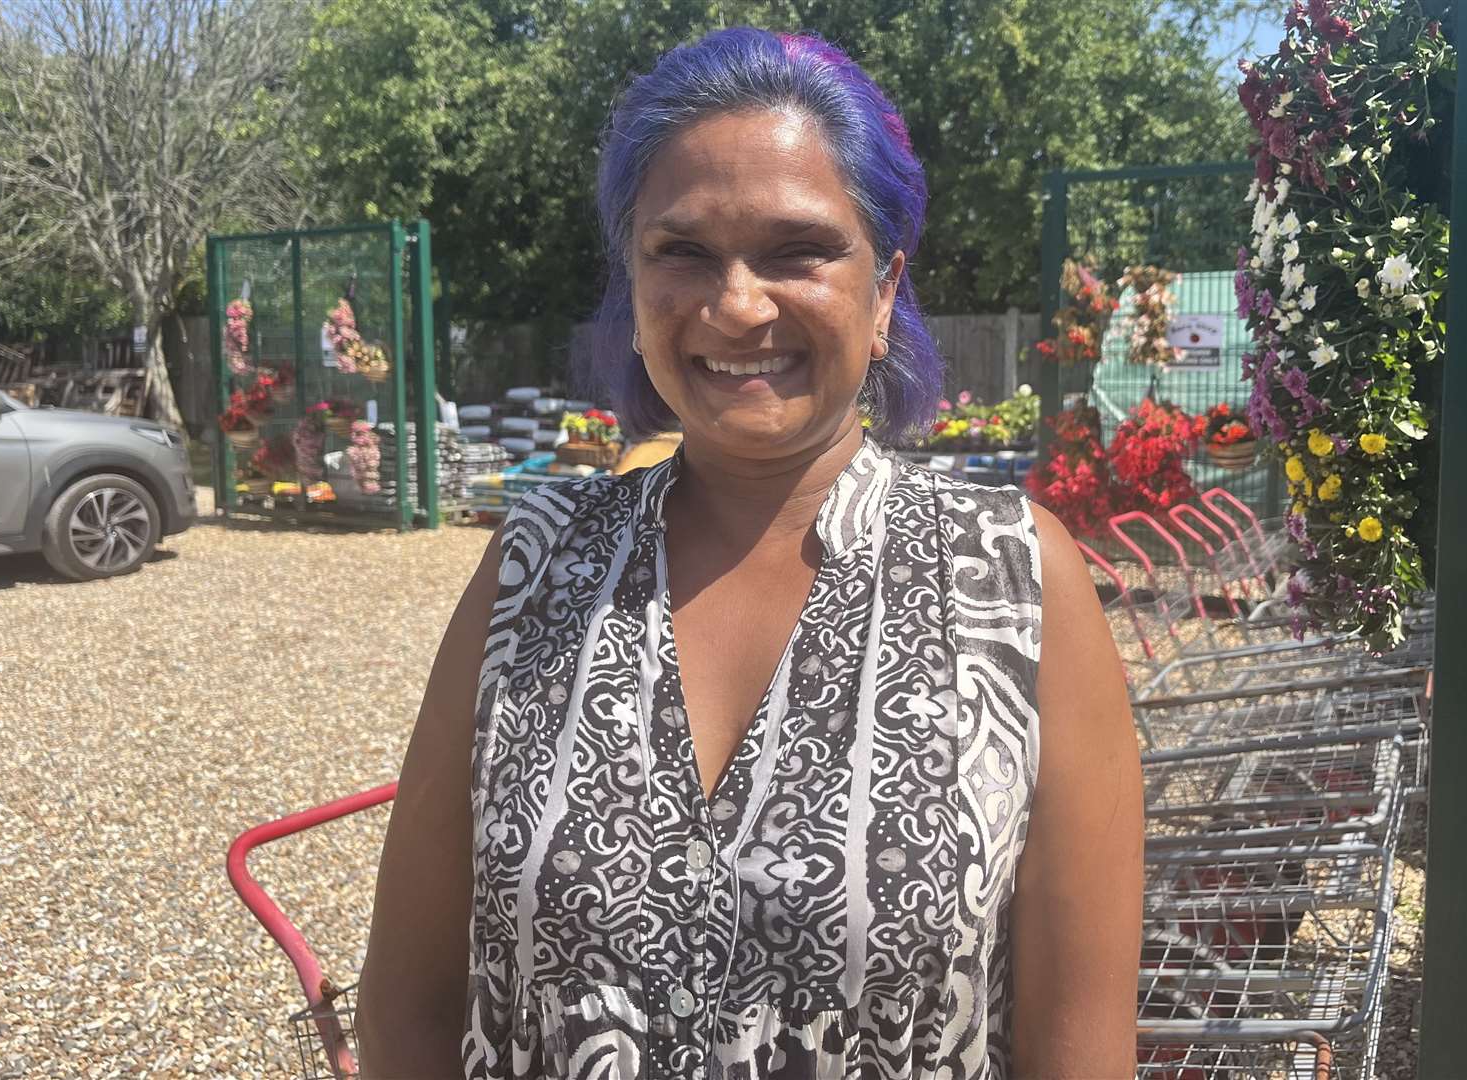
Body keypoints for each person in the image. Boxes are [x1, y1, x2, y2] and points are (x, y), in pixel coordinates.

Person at [356, 27, 1142, 1080]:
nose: (735, 304)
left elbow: (1078, 1044)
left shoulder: (1009, 579)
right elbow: (409, 999)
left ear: (881, 287)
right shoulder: (531, 571)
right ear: (632, 290)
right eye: (680, 251)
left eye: (796, 249)